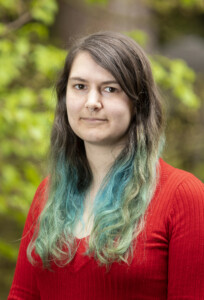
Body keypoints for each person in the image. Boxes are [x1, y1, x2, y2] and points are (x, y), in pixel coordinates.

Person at [8, 31, 204, 300]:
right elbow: (23, 295)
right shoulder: (49, 193)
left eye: (110, 89)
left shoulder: (183, 196)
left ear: (139, 103)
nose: (92, 102)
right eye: (79, 87)